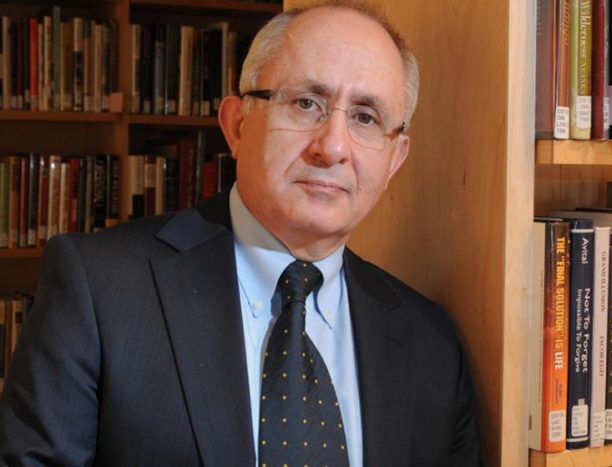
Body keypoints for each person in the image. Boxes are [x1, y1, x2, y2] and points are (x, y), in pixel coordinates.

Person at [0, 2, 482, 466]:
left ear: (395, 159)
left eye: (365, 117)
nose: (333, 147)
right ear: (236, 125)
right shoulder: (100, 289)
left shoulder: (432, 345)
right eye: (306, 103)